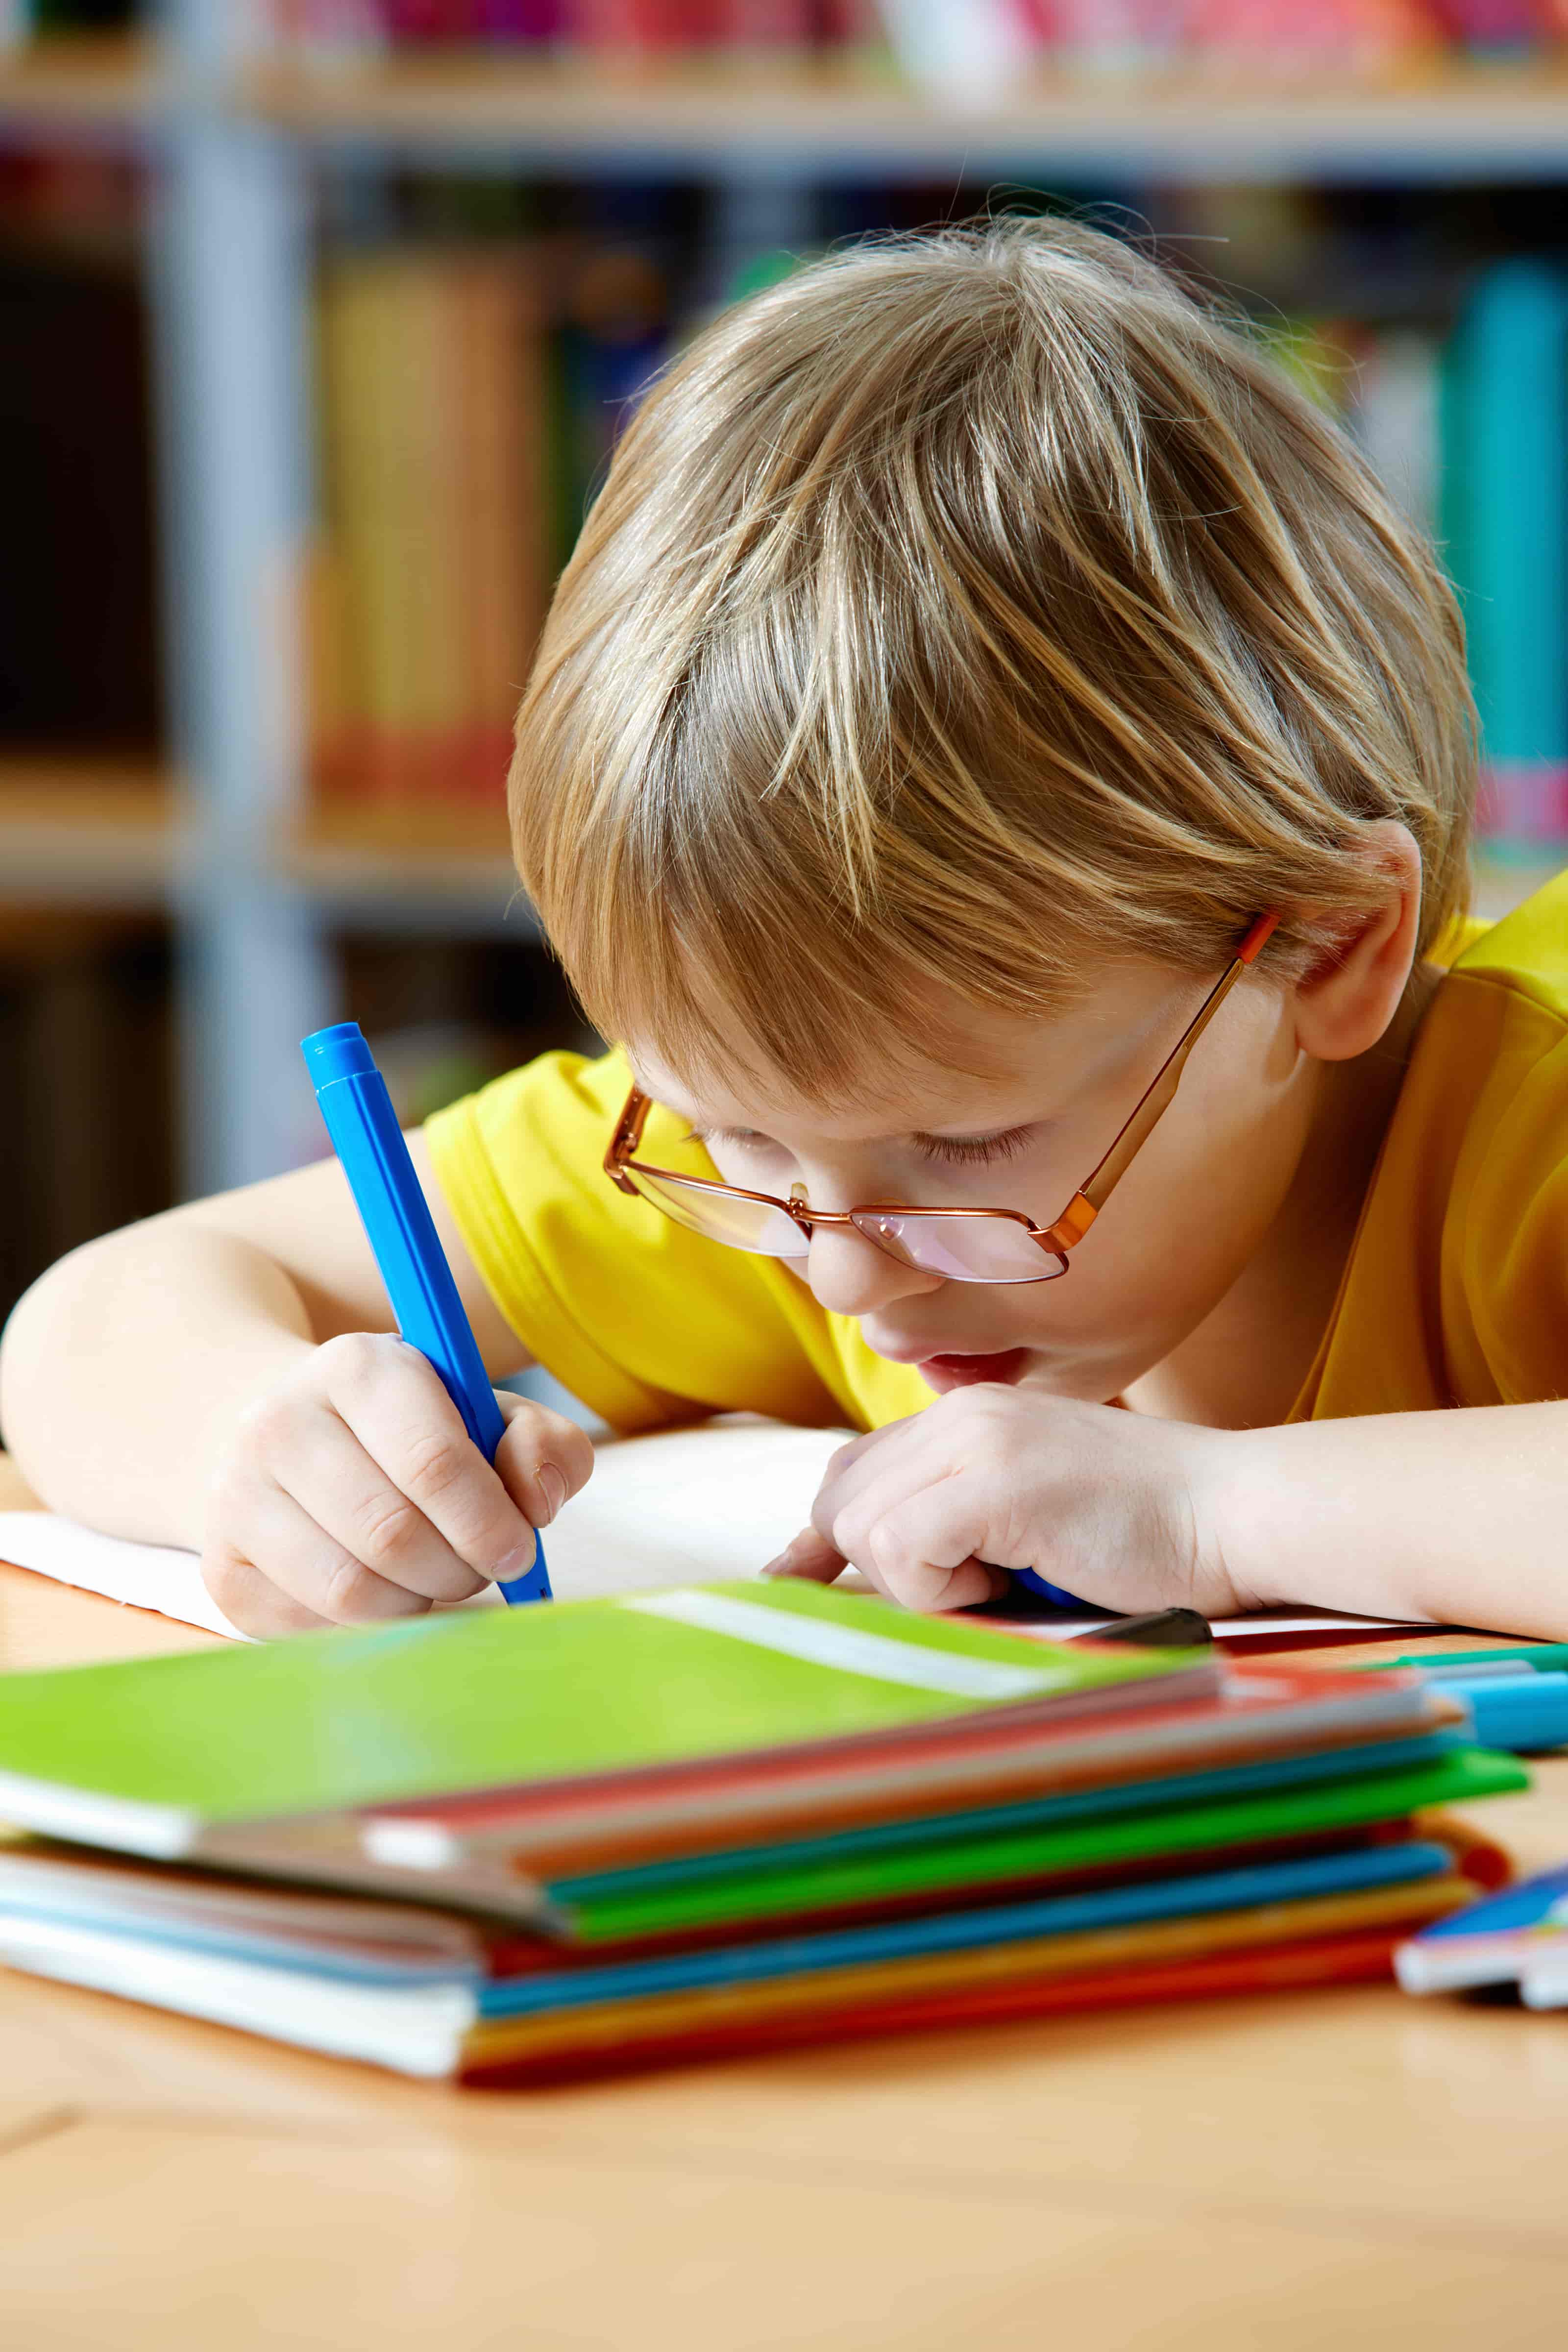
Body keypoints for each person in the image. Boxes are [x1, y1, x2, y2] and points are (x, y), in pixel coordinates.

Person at [6, 217, 1565, 1641]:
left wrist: (1210, 1509)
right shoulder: (812, 1173)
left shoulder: (1528, 1134)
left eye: (971, 1151)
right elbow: (88, 1324)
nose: (845, 1285)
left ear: (1333, 950)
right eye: (735, 1140)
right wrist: (276, 1450)